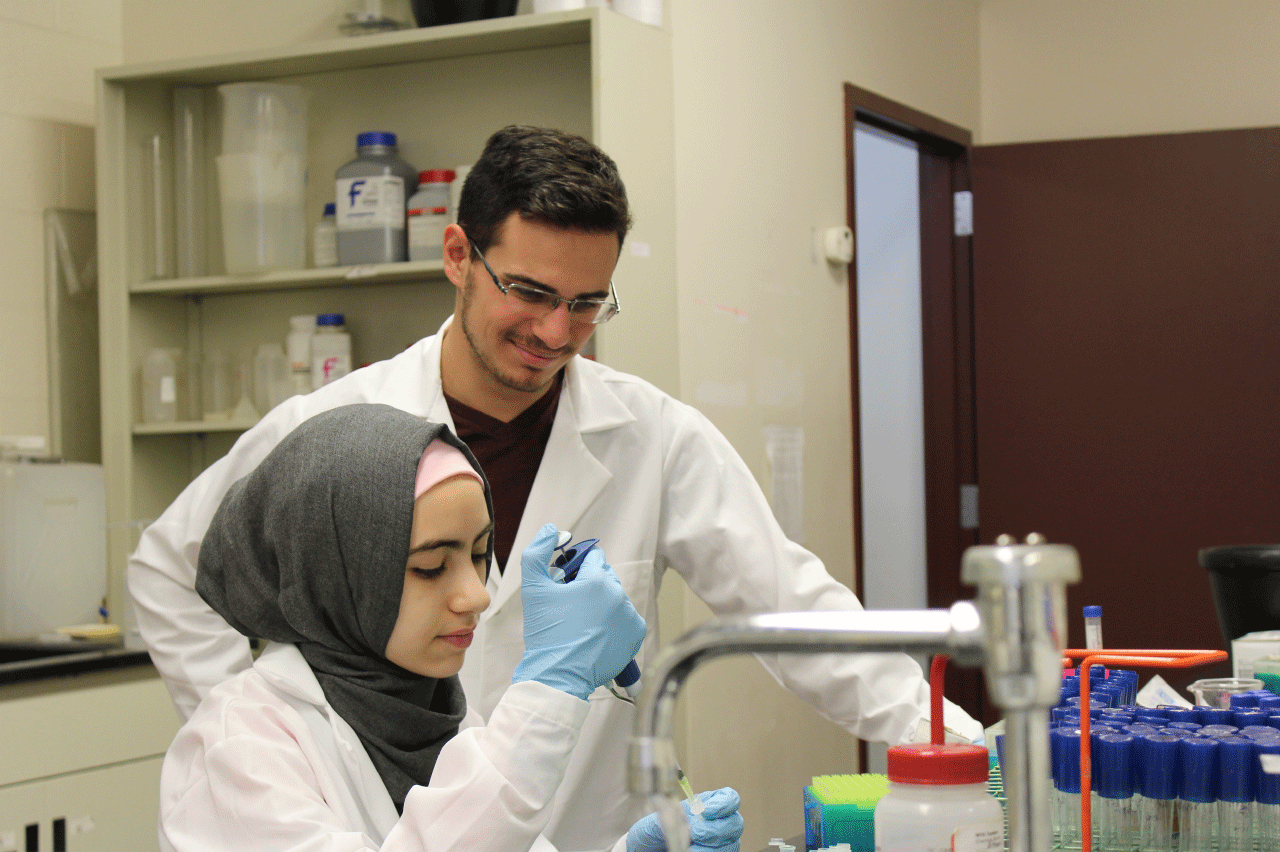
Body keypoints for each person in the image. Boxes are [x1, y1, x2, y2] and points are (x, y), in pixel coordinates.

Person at [130, 125, 982, 852]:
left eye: (585, 303)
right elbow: (167, 568)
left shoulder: (651, 434)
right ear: (459, 255)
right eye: (530, 292)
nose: (553, 331)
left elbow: (791, 606)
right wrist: (286, 740)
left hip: (576, 829)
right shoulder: (342, 426)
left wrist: (952, 745)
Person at [158, 403, 743, 852]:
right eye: (431, 566)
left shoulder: (439, 711)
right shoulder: (239, 751)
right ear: (335, 575)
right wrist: (548, 691)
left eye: (481, 554)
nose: (477, 595)